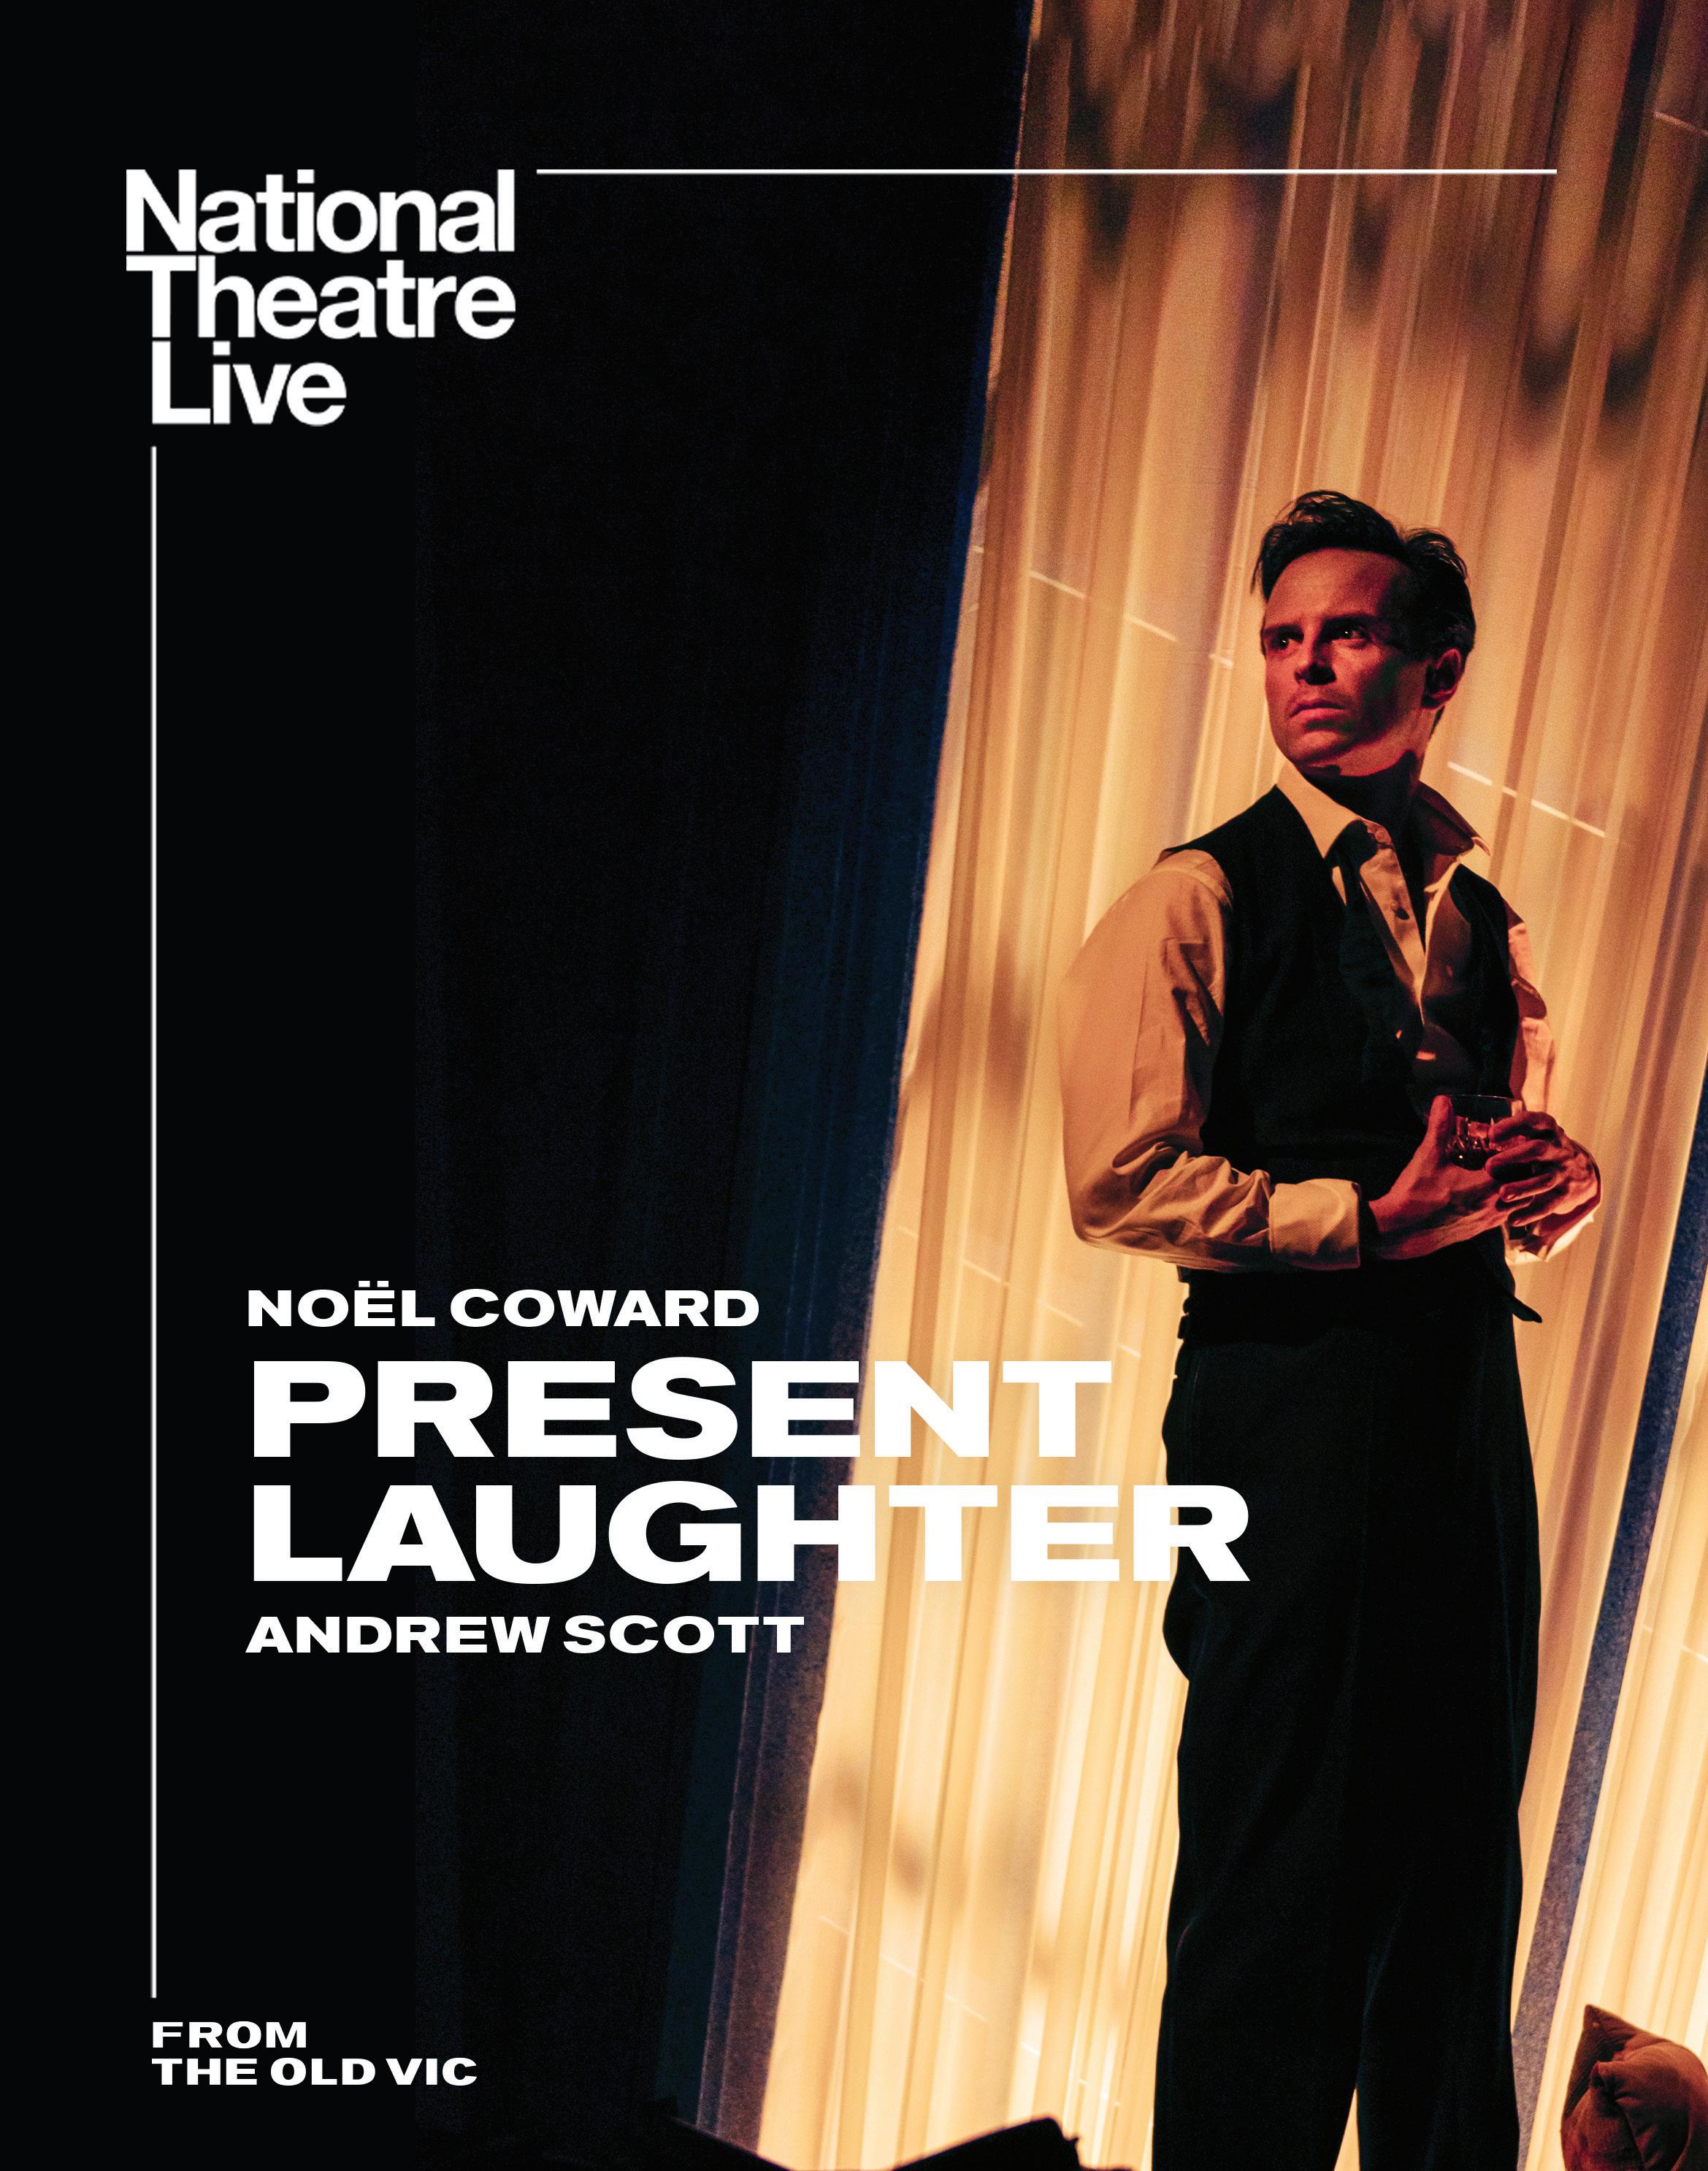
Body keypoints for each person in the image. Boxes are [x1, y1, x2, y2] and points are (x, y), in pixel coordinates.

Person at [1057, 491, 1600, 2171]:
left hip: (1460, 1403)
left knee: (1455, 1870)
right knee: (1277, 1872)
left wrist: (1554, 1185)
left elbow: (1487, 1164)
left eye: (1346, 633)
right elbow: (1116, 1175)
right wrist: (1356, 1221)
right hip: (1286, 1413)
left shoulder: (1480, 913)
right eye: (1284, 636)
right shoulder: (1198, 895)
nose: (1303, 665)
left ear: (1437, 669)